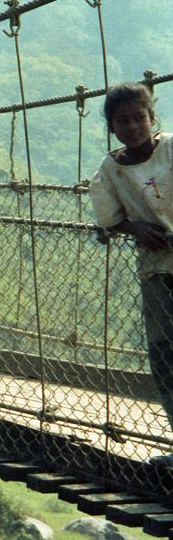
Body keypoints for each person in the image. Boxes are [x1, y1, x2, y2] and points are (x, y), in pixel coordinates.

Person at [90, 82, 173, 465]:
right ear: (111, 126)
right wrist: (133, 227)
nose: (132, 126)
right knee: (165, 358)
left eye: (139, 117)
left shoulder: (171, 149)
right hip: (158, 273)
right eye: (122, 120)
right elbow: (108, 219)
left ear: (152, 118)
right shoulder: (110, 170)